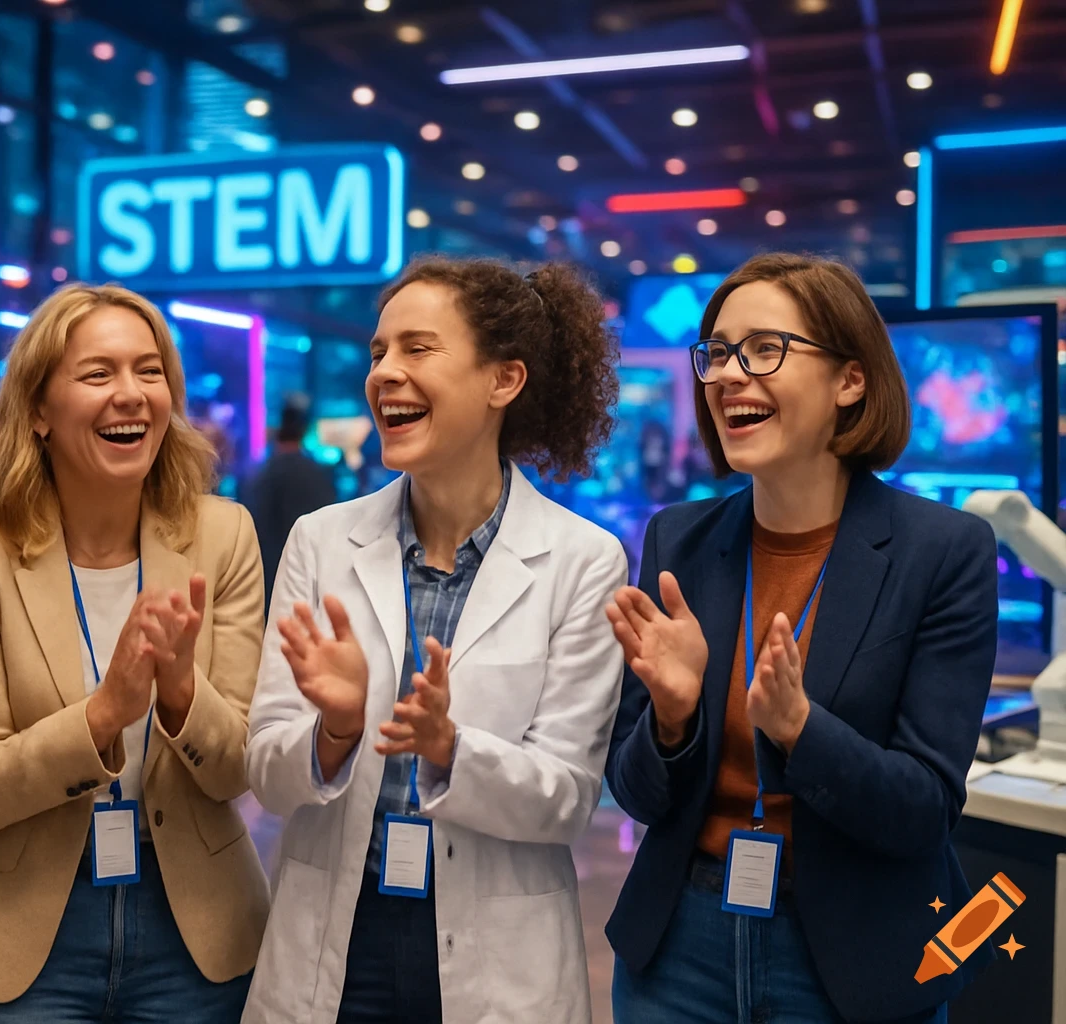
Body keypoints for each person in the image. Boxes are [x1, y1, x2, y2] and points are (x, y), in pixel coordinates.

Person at [604, 253, 998, 1024]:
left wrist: (801, 730)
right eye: (716, 353)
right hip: (679, 951)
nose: (727, 375)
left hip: (855, 962)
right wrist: (673, 720)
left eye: (764, 349)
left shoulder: (941, 551)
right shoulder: (679, 543)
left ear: (849, 381)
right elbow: (636, 792)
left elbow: (923, 809)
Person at [244, 256, 628, 1024]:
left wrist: (450, 746)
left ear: (503, 381)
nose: (385, 373)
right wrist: (339, 728)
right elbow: (266, 773)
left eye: (418, 350)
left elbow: (565, 800)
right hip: (336, 945)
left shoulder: (583, 561)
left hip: (499, 960)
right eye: (379, 352)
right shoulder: (321, 543)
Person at [0, 283, 269, 1021]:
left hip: (195, 930)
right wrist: (104, 714)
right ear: (39, 411)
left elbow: (242, 763)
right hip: (20, 931)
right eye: (98, 373)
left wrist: (179, 692)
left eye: (150, 373)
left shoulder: (224, 537)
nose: (131, 395)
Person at [245, 395, 337, 614]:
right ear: (305, 429)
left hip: (263, 581)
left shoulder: (257, 475)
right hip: (310, 584)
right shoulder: (317, 475)